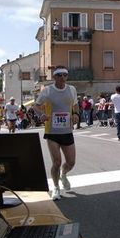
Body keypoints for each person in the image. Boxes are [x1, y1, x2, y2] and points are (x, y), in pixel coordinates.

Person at [33, 66, 79, 200]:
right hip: (52, 131)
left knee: (71, 162)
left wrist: (75, 113)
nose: (63, 77)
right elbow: (36, 106)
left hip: (67, 131)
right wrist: (41, 114)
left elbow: (75, 104)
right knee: (57, 162)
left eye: (65, 75)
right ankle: (56, 188)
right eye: (59, 75)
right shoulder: (47, 91)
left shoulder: (72, 89)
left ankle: (63, 175)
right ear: (54, 77)